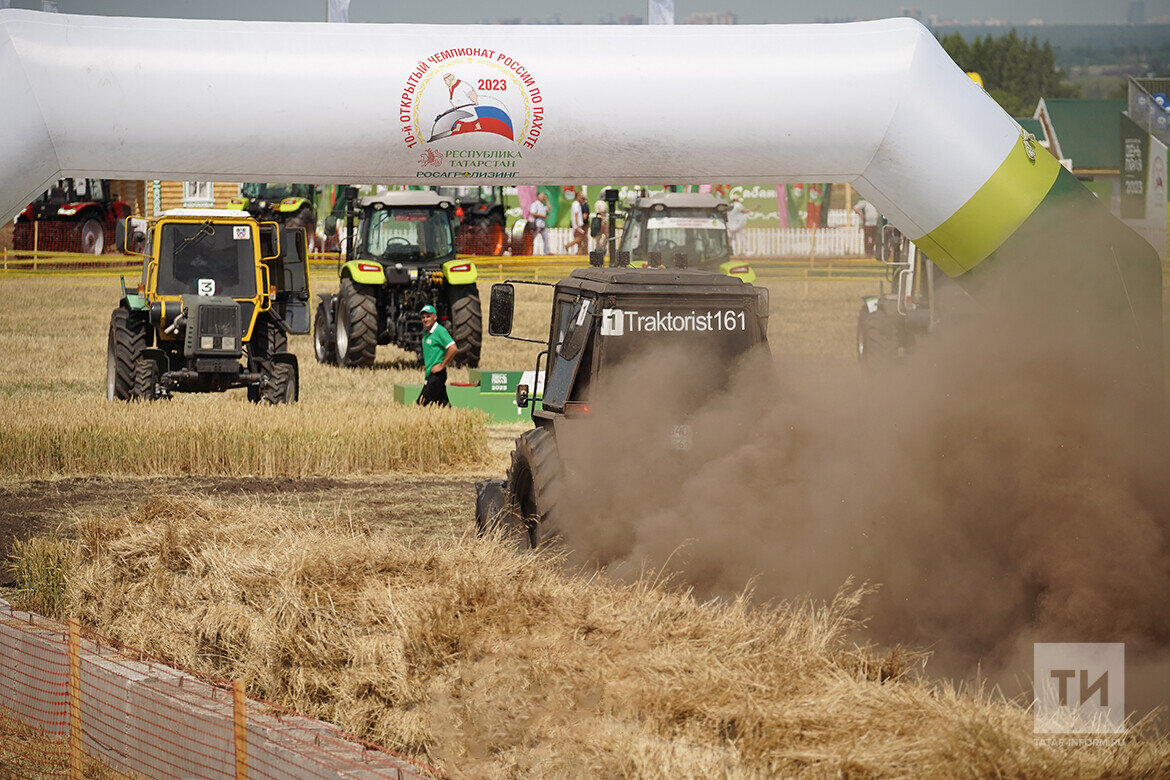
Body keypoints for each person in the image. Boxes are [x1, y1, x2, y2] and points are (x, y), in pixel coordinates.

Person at [417, 304, 457, 407]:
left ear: (435, 317)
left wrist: (441, 365)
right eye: (423, 317)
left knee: (421, 404)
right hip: (430, 373)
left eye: (428, 316)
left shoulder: (440, 331)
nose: (425, 319)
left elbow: (453, 348)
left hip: (437, 375)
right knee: (443, 405)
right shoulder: (426, 333)